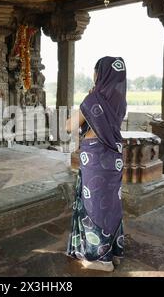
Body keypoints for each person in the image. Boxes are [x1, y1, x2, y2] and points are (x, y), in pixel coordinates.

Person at [66, 56, 127, 272]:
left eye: (95, 70)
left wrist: (86, 100)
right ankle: (113, 251)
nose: (94, 74)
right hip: (115, 159)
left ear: (101, 74)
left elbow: (68, 126)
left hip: (94, 158)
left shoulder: (94, 100)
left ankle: (100, 258)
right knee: (111, 203)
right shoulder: (121, 99)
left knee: (94, 207)